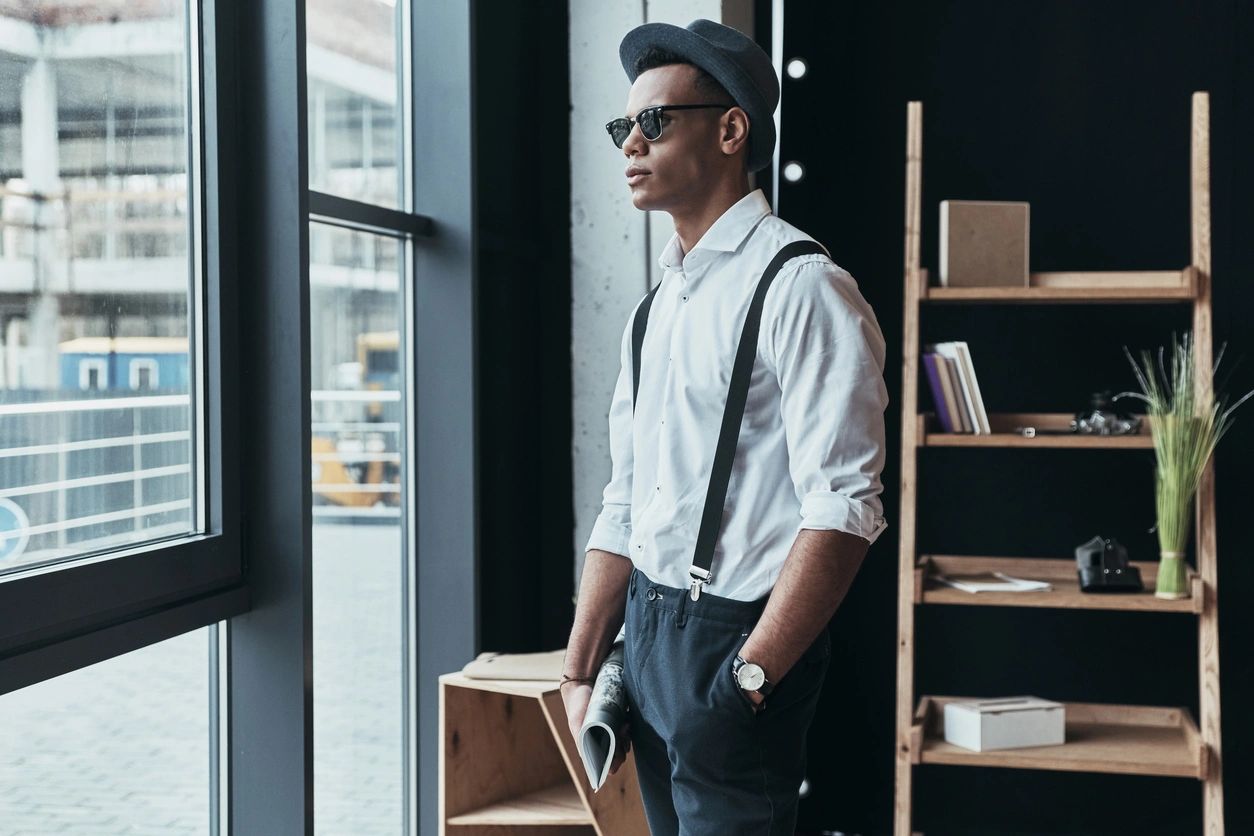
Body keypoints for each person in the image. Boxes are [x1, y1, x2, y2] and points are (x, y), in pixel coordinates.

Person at [560, 18, 888, 836]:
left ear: (732, 128)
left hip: (733, 647)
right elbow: (625, 499)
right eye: (622, 127)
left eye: (653, 122)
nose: (629, 144)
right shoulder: (655, 309)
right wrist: (579, 667)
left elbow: (845, 505)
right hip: (645, 643)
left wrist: (749, 677)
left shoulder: (804, 288)